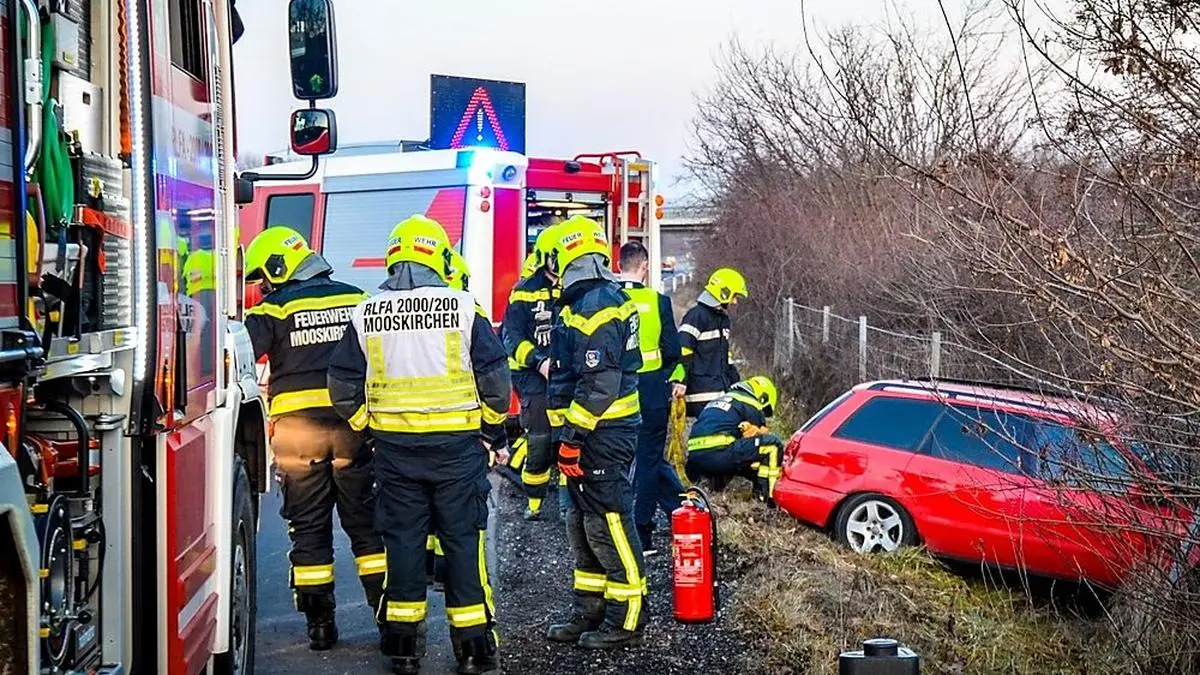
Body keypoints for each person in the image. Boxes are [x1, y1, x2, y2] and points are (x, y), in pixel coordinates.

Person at [327, 214, 511, 675]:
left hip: (395, 452)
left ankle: (403, 649)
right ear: (440, 257)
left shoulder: (367, 312)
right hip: (457, 451)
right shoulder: (463, 307)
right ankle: (474, 650)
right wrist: (490, 430)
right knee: (462, 544)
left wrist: (368, 426)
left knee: (404, 546)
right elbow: (495, 379)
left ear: (393, 257)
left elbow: (341, 384)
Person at [242, 226, 385, 651]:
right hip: (353, 429)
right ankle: (388, 620)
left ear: (278, 267)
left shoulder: (272, 309)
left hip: (297, 436)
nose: (263, 287)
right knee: (367, 528)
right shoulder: (358, 299)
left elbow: (239, 356)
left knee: (308, 528)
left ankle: (320, 627)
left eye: (264, 278)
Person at [543, 216, 647, 649]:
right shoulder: (586, 300)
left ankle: (628, 618)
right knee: (582, 524)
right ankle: (590, 610)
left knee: (609, 523)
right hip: (591, 435)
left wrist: (571, 439)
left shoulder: (596, 304)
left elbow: (599, 385)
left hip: (601, 435)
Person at [617, 241, 685, 555]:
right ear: (644, 267)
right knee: (648, 463)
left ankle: (615, 530)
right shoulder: (658, 302)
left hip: (615, 390)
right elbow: (672, 350)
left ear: (620, 266)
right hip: (651, 392)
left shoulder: (609, 300)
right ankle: (641, 534)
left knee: (616, 462)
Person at [501, 225, 561, 520]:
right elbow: (511, 337)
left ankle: (569, 503)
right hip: (532, 377)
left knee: (571, 439)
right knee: (540, 439)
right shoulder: (525, 290)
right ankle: (534, 503)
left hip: (568, 378)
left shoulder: (575, 288)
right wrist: (539, 362)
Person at [685, 376, 784, 504]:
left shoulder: (722, 399)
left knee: (735, 449)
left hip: (695, 460)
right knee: (773, 444)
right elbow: (757, 441)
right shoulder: (750, 403)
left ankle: (709, 492)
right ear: (763, 398)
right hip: (720, 454)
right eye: (765, 410)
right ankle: (767, 499)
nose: (763, 413)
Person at [670, 267, 748, 417]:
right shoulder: (696, 316)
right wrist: (680, 381)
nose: (735, 301)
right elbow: (684, 350)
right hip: (702, 393)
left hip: (719, 391)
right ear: (723, 293)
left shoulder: (722, 320)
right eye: (734, 296)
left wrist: (736, 383)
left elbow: (723, 356)